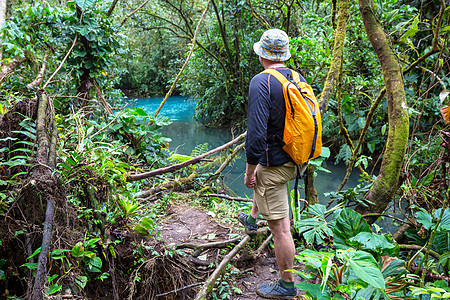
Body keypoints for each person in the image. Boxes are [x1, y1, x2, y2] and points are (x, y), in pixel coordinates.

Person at [238, 28, 308, 299]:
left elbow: (255, 138)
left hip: (275, 165)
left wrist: (248, 171)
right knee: (265, 180)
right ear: (284, 54)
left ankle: (287, 286)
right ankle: (253, 219)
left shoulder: (261, 81)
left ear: (261, 55)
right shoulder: (296, 77)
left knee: (280, 229)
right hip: (297, 159)